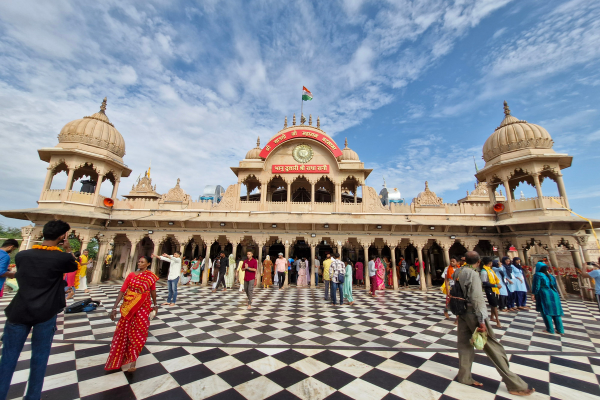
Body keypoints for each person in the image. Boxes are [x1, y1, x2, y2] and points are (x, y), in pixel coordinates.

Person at [0, 221, 78, 400]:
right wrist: (67, 249)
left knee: (7, 360)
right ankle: (32, 397)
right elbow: (73, 265)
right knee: (39, 360)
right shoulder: (62, 258)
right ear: (62, 236)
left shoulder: (22, 256)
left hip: (19, 310)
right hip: (45, 312)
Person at [453, 251, 534, 396]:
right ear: (478, 262)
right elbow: (477, 298)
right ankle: (515, 384)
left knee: (464, 344)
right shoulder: (473, 274)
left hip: (461, 311)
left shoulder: (458, 271)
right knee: (492, 346)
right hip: (473, 312)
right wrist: (481, 320)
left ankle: (464, 376)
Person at [105, 255, 159, 372]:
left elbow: (152, 290)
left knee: (139, 331)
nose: (139, 263)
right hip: (128, 306)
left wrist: (155, 305)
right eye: (139, 261)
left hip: (143, 306)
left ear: (148, 264)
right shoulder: (131, 275)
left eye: (142, 262)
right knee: (124, 331)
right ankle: (119, 358)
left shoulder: (150, 276)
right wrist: (114, 308)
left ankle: (133, 360)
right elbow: (123, 290)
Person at [532, 261, 564, 335]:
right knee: (556, 312)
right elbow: (555, 285)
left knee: (546, 311)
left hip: (544, 294)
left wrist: (534, 294)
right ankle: (560, 330)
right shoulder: (551, 276)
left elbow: (536, 286)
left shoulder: (538, 275)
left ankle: (550, 329)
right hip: (554, 293)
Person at [480, 257, 502, 328]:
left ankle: (492, 317)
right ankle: (498, 320)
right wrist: (495, 285)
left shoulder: (490, 270)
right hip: (490, 289)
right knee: (494, 305)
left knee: (494, 304)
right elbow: (484, 283)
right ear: (489, 263)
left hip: (494, 289)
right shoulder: (484, 271)